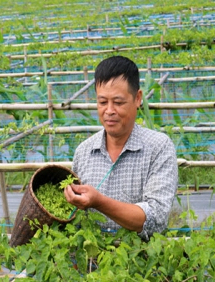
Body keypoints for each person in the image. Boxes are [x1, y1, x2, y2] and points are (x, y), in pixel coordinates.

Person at [64, 55, 178, 241]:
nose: (109, 110)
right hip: (92, 261)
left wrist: (99, 202)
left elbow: (156, 218)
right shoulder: (84, 152)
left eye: (118, 102)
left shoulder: (158, 148)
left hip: (141, 262)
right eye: (102, 102)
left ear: (137, 98)